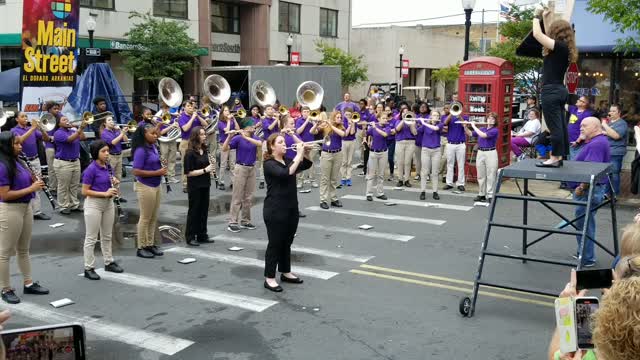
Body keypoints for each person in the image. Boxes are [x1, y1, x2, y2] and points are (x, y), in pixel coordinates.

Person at [0, 132, 50, 304]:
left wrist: (34, 181)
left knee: (23, 249)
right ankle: (5, 288)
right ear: (6, 146)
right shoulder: (2, 165)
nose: (20, 146)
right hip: (10, 210)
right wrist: (31, 188)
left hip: (25, 207)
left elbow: (27, 183)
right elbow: (5, 195)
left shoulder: (18, 161)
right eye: (16, 144)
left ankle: (28, 283)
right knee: (5, 252)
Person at [262, 134, 312, 292]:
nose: (284, 144)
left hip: (291, 207)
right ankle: (269, 278)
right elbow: (285, 174)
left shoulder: (288, 160)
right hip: (275, 209)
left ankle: (285, 271)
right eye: (280, 142)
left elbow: (306, 165)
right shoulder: (269, 163)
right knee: (275, 243)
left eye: (284, 141)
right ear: (272, 147)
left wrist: (305, 152)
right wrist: (298, 154)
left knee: (287, 242)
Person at [533, 9, 579, 167]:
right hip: (559, 90)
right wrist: (546, 19)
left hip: (551, 91)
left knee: (554, 127)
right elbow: (546, 36)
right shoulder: (563, 48)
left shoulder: (559, 47)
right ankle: (559, 157)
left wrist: (535, 17)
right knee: (559, 125)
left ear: (557, 33)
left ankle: (554, 157)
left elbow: (538, 35)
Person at [81, 140, 124, 280]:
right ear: (96, 153)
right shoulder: (90, 169)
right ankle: (89, 267)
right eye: (103, 151)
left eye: (107, 151)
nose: (107, 154)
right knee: (91, 238)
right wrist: (104, 193)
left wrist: (115, 182)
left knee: (107, 235)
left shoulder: (107, 166)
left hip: (108, 203)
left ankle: (109, 261)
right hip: (94, 204)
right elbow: (85, 191)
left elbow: (109, 183)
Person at [571, 117, 611, 267]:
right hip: (591, 190)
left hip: (589, 191)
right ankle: (583, 253)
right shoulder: (596, 142)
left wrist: (581, 187)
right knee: (584, 223)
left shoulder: (597, 144)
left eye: (584, 126)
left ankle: (587, 258)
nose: (581, 128)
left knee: (585, 224)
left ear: (595, 127)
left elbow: (591, 171)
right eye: (581, 125)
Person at [131, 124, 166, 259]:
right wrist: (157, 172)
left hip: (156, 184)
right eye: (152, 134)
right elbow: (136, 171)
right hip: (145, 186)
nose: (155, 135)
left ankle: (150, 244)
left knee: (153, 217)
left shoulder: (153, 147)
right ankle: (141, 246)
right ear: (144, 135)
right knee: (145, 218)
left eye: (156, 133)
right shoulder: (141, 150)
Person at [11, 112, 51, 220]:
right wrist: (33, 129)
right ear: (16, 119)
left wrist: (41, 128)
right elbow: (20, 140)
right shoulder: (14, 131)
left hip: (35, 159)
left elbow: (46, 139)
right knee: (27, 185)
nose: (25, 118)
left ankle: (37, 211)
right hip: (22, 161)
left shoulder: (31, 128)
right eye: (22, 116)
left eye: (26, 116)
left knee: (37, 184)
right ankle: (27, 210)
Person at [223, 126, 261, 233]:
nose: (253, 128)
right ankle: (232, 222)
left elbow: (260, 144)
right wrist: (229, 137)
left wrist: (246, 137)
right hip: (240, 168)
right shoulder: (238, 138)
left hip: (252, 168)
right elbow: (225, 149)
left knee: (248, 197)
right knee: (237, 196)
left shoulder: (255, 137)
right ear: (245, 128)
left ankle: (245, 220)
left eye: (253, 126)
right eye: (250, 126)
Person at [183, 126, 215, 246]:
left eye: (204, 134)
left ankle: (202, 234)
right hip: (195, 185)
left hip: (205, 184)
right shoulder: (190, 153)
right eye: (201, 134)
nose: (204, 136)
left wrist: (211, 168)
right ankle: (190, 236)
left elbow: (207, 166)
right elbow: (188, 173)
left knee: (203, 210)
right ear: (196, 136)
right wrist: (205, 170)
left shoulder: (204, 150)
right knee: (194, 211)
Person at [312, 111, 346, 209]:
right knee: (325, 178)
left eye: (340, 117)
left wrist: (331, 125)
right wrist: (316, 124)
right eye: (338, 117)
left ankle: (333, 198)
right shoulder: (325, 126)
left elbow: (343, 134)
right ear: (333, 117)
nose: (339, 119)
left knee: (334, 178)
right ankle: (323, 200)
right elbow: (312, 132)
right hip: (326, 154)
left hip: (338, 154)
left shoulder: (340, 126)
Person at [53, 115, 86, 215]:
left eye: (67, 119)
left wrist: (78, 128)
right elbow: (69, 140)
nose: (67, 121)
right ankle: (63, 206)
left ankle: (74, 204)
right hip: (63, 162)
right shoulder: (58, 133)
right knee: (63, 186)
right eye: (64, 120)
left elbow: (83, 137)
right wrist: (80, 128)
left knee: (74, 185)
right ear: (59, 123)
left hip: (75, 161)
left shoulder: (72, 130)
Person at [465, 113, 500, 202]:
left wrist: (473, 125)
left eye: (493, 119)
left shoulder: (495, 130)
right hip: (480, 152)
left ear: (495, 121)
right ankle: (481, 194)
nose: (490, 120)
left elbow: (484, 135)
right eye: (489, 118)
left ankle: (490, 194)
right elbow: (470, 134)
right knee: (480, 175)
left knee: (491, 174)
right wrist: (465, 126)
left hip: (490, 152)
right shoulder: (482, 128)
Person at [178, 101, 208, 192]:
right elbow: (185, 128)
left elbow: (205, 125)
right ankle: (185, 184)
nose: (191, 107)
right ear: (184, 107)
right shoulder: (182, 117)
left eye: (192, 106)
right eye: (188, 106)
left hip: (196, 142)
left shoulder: (196, 115)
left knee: (197, 162)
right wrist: (193, 118)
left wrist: (197, 116)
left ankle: (195, 180)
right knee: (186, 163)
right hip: (186, 142)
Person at [100, 115, 129, 202]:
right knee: (110, 177)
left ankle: (117, 196)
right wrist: (122, 133)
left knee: (118, 177)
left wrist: (120, 130)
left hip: (119, 155)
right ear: (105, 123)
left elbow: (126, 140)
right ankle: (110, 196)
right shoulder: (104, 133)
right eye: (109, 120)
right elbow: (113, 142)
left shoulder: (115, 131)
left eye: (112, 120)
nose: (112, 121)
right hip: (111, 156)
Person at [601, 104, 628, 195]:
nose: (610, 113)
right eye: (610, 111)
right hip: (606, 151)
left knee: (614, 174)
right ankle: (606, 193)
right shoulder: (609, 123)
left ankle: (615, 195)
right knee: (607, 174)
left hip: (616, 152)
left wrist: (604, 126)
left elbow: (616, 136)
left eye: (613, 111)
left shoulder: (622, 123)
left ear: (619, 113)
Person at [417, 111, 443, 201]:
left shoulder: (440, 124)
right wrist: (411, 123)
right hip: (425, 150)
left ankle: (435, 192)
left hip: (436, 150)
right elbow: (415, 132)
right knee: (424, 172)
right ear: (431, 116)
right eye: (434, 115)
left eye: (437, 115)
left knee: (435, 172)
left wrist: (423, 122)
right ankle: (423, 191)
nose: (436, 117)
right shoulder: (425, 125)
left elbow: (435, 129)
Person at [365, 114, 390, 202]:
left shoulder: (387, 127)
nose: (385, 119)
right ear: (378, 119)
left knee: (381, 174)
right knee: (371, 174)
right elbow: (367, 133)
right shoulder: (373, 127)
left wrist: (375, 127)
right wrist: (366, 140)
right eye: (383, 118)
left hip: (383, 152)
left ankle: (380, 193)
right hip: (373, 152)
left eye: (386, 118)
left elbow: (385, 135)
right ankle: (369, 193)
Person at [442, 104, 467, 191]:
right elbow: (444, 123)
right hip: (450, 143)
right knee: (450, 164)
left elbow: (465, 125)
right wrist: (451, 113)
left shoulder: (465, 117)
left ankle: (461, 183)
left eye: (457, 107)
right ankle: (449, 183)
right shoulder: (449, 117)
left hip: (460, 144)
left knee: (461, 164)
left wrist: (459, 116)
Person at [154, 104, 180, 184]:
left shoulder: (171, 117)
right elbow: (161, 132)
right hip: (163, 140)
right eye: (164, 108)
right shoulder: (159, 119)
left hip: (172, 139)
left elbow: (177, 127)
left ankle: (171, 176)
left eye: (167, 108)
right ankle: (163, 176)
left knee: (172, 158)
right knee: (164, 158)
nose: (166, 110)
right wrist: (171, 126)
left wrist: (177, 124)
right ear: (161, 108)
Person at [393, 103, 416, 187]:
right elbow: (397, 129)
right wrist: (403, 120)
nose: (405, 114)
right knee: (400, 162)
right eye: (403, 112)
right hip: (400, 142)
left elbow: (414, 132)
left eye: (407, 112)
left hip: (410, 143)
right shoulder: (398, 121)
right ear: (401, 113)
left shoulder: (412, 122)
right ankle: (400, 179)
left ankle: (406, 179)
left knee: (407, 162)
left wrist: (411, 124)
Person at [295, 106, 318, 189]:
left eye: (308, 111)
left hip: (311, 143)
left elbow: (316, 132)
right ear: (301, 113)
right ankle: (300, 181)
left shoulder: (313, 120)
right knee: (301, 162)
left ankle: (313, 180)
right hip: (301, 143)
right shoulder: (299, 121)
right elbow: (298, 131)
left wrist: (315, 123)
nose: (306, 113)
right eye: (304, 111)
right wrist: (307, 121)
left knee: (311, 162)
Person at [217, 108, 240, 191]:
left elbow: (237, 128)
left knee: (232, 164)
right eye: (226, 111)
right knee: (223, 164)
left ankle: (233, 182)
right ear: (222, 113)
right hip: (223, 144)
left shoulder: (232, 120)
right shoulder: (220, 122)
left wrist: (234, 119)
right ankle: (221, 182)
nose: (228, 112)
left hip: (232, 144)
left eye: (228, 110)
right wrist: (229, 121)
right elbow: (226, 130)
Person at [43, 102, 61, 195]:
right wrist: (51, 137)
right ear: (49, 109)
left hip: (60, 146)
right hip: (49, 146)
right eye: (55, 109)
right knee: (51, 168)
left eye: (58, 109)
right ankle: (53, 187)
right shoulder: (45, 118)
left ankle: (60, 186)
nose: (57, 110)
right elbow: (43, 134)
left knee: (60, 167)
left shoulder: (60, 116)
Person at [339, 110, 357, 187]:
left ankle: (348, 178)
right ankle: (343, 178)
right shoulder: (342, 122)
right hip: (343, 142)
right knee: (344, 161)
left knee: (349, 161)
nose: (348, 116)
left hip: (351, 142)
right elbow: (345, 134)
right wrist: (349, 126)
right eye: (346, 114)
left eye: (349, 114)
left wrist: (352, 124)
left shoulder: (354, 121)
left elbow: (352, 133)